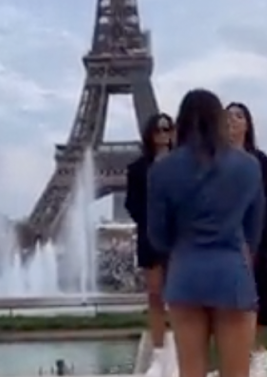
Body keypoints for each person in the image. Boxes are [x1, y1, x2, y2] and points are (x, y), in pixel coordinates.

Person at [148, 89, 265, 377]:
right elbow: (254, 227)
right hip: (231, 272)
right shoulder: (248, 166)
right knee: (237, 372)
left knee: (191, 370)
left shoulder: (163, 169)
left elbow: (157, 235)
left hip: (186, 271)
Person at [227, 101, 267, 376]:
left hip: (258, 233)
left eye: (238, 116)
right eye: (227, 116)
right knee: (233, 296)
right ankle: (242, 353)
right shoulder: (214, 158)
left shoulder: (259, 159)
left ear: (247, 124)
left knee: (261, 291)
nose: (232, 120)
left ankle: (257, 349)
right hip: (228, 233)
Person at [125, 113, 175, 377]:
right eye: (157, 130)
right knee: (155, 296)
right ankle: (159, 354)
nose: (163, 134)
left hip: (180, 240)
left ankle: (177, 352)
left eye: (167, 129)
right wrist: (151, 222)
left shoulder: (184, 164)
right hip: (151, 238)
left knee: (181, 299)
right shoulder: (137, 169)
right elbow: (131, 204)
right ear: (150, 134)